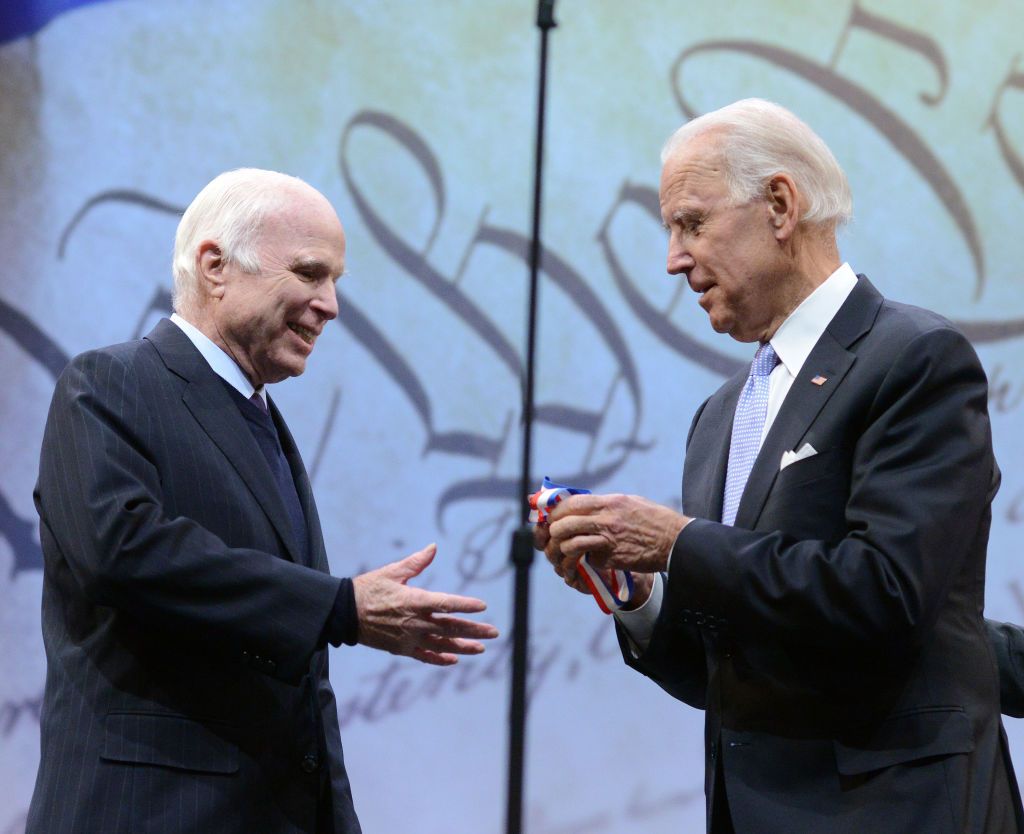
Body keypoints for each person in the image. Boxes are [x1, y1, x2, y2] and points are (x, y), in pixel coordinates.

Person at [536, 99, 1021, 833]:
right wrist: (641, 597)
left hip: (890, 810)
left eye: (691, 223)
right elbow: (732, 670)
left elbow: (883, 594)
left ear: (781, 205)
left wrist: (678, 544)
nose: (673, 258)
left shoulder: (914, 359)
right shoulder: (719, 417)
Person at [28, 168, 499, 834]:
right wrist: (339, 605)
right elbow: (122, 551)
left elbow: (303, 682)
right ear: (215, 266)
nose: (331, 305)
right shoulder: (110, 383)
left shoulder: (265, 422)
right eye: (309, 273)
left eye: (334, 280)